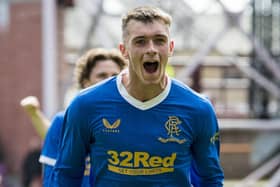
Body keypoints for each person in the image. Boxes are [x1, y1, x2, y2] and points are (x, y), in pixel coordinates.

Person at [53, 6, 224, 187]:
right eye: (140, 41)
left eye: (159, 40)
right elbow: (66, 175)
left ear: (170, 47)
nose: (151, 49)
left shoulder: (198, 109)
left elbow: (210, 179)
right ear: (124, 50)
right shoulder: (86, 105)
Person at [36, 48, 126, 187]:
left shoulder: (131, 121)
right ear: (85, 82)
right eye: (102, 75)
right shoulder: (62, 121)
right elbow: (51, 179)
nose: (110, 81)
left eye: (115, 75)